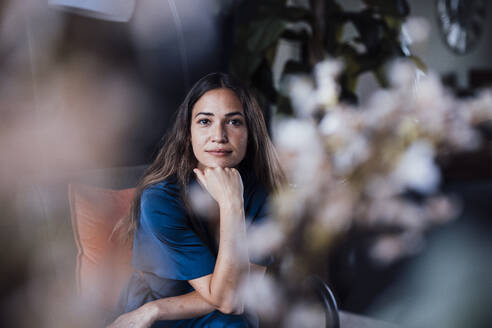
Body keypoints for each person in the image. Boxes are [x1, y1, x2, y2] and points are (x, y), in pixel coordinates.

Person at [108, 72, 285, 328]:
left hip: (218, 310)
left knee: (234, 323)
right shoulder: (160, 199)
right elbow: (229, 298)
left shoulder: (261, 194)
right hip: (164, 315)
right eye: (204, 121)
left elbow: (235, 298)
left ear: (250, 132)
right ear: (188, 132)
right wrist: (152, 308)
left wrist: (231, 203)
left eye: (234, 122)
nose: (219, 136)